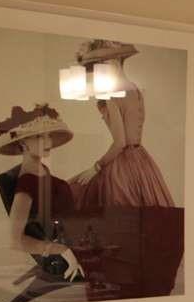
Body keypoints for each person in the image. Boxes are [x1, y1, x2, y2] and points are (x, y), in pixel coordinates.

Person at [0, 105, 85, 302]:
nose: (48, 142)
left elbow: (54, 206)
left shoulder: (46, 177)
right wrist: (61, 251)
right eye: (38, 137)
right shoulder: (26, 183)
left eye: (49, 135)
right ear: (22, 142)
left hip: (80, 243)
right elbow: (15, 240)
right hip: (65, 257)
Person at [70, 39, 175, 209]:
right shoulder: (135, 89)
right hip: (141, 161)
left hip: (123, 166)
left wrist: (96, 167)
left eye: (102, 63)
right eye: (97, 66)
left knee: (78, 194)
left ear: (116, 61)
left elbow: (120, 143)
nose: (98, 70)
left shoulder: (113, 95)